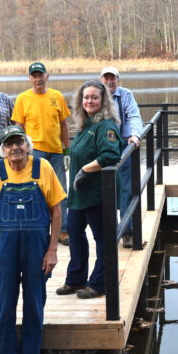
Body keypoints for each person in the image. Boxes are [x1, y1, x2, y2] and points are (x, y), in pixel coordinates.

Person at [0, 125, 65, 354]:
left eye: (19, 142)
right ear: (3, 150)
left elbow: (57, 212)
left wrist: (52, 250)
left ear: (27, 145)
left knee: (34, 300)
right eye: (9, 144)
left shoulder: (43, 168)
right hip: (5, 246)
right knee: (5, 301)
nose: (15, 148)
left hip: (36, 245)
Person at [56, 80, 123, 299]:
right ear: (80, 100)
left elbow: (111, 155)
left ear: (103, 100)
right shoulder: (85, 124)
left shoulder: (106, 126)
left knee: (102, 240)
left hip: (97, 194)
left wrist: (86, 169)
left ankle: (99, 284)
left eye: (94, 97)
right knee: (74, 235)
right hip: (78, 195)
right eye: (86, 97)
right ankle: (76, 280)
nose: (90, 101)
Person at [12, 62, 71, 245]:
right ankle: (37, 228)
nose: (38, 79)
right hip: (34, 152)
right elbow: (18, 128)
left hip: (56, 152)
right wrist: (20, 152)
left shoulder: (57, 96)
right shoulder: (22, 99)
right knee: (35, 190)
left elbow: (63, 125)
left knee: (60, 191)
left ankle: (62, 230)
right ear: (30, 78)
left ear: (47, 76)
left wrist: (67, 150)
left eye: (40, 75)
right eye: (34, 76)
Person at [100, 66, 143, 248]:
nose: (110, 81)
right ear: (100, 80)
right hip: (102, 147)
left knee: (126, 189)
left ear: (118, 80)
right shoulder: (95, 94)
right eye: (106, 78)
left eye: (113, 78)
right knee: (103, 191)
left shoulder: (125, 95)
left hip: (123, 146)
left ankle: (127, 231)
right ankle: (105, 232)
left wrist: (134, 135)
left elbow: (133, 116)